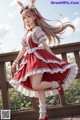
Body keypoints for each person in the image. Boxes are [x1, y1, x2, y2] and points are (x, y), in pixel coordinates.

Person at [9, 0, 78, 120]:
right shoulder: (26, 34)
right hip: (29, 62)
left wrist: (54, 58)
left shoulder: (37, 30)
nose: (26, 19)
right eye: (24, 18)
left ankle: (57, 84)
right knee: (39, 87)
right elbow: (23, 50)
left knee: (36, 85)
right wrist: (15, 62)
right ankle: (42, 114)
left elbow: (45, 45)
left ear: (34, 17)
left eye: (29, 16)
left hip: (37, 60)